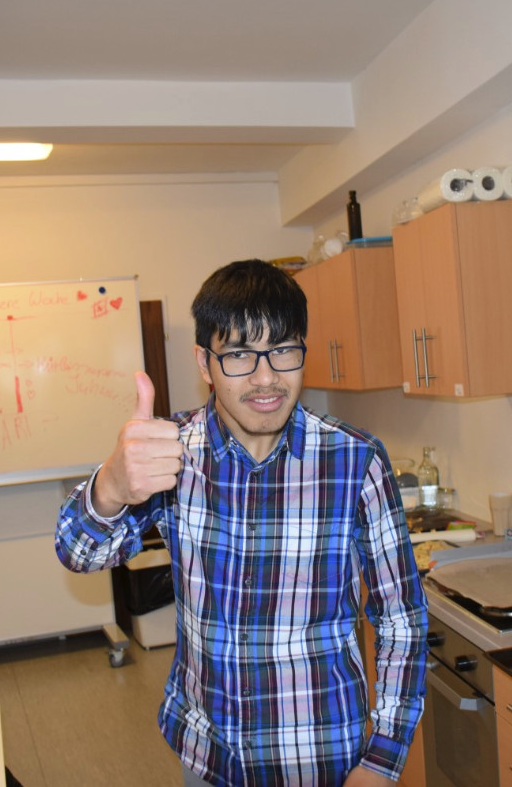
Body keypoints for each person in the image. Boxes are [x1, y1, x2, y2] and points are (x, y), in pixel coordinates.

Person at [55, 259, 428, 786]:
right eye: (238, 355)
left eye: (284, 350)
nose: (266, 378)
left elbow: (400, 618)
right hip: (207, 754)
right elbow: (78, 553)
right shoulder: (172, 455)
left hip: (319, 756)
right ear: (205, 364)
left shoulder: (355, 460)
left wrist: (382, 759)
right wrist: (112, 486)